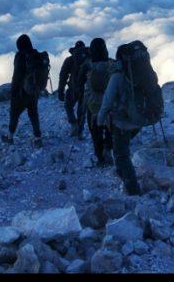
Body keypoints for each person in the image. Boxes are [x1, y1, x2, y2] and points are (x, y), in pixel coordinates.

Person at [97, 43, 144, 195]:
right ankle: (122, 172)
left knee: (121, 154)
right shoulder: (141, 73)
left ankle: (133, 189)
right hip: (140, 118)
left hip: (123, 122)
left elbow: (107, 102)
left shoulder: (117, 77)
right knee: (122, 147)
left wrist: (100, 120)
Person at [3, 33, 43, 147]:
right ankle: (38, 138)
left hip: (21, 92)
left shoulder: (20, 56)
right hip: (34, 91)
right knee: (33, 114)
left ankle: (9, 137)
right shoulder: (36, 54)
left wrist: (13, 92)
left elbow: (17, 76)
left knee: (14, 113)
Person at [81, 38, 116, 167]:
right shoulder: (113, 64)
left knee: (95, 131)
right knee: (110, 129)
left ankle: (100, 157)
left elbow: (79, 83)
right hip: (110, 104)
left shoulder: (87, 65)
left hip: (93, 105)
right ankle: (109, 148)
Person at [57, 40, 88, 137]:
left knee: (68, 106)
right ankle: (80, 131)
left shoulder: (69, 60)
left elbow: (63, 76)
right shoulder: (89, 58)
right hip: (86, 88)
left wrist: (60, 90)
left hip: (73, 87)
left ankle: (74, 124)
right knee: (81, 110)